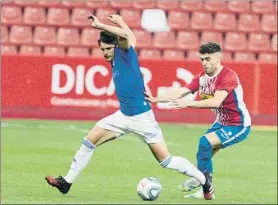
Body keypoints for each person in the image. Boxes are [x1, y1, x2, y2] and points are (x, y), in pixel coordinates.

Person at [45, 14, 214, 200]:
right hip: (123, 116)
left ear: (115, 46)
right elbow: (130, 36)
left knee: (166, 161)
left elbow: (126, 37)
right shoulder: (116, 55)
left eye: (108, 48)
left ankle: (203, 180)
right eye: (102, 49)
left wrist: (100, 25)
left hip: (142, 118)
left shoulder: (124, 52)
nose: (106, 53)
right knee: (88, 141)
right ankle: (66, 182)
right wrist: (121, 22)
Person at [146, 42, 251, 199]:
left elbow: (215, 102)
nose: (204, 63)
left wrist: (187, 103)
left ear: (219, 57)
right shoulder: (202, 77)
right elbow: (182, 91)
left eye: (208, 59)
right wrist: (155, 99)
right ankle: (200, 179)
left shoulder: (228, 76)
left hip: (238, 124)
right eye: (202, 59)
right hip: (221, 122)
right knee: (204, 151)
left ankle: (206, 190)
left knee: (204, 143)